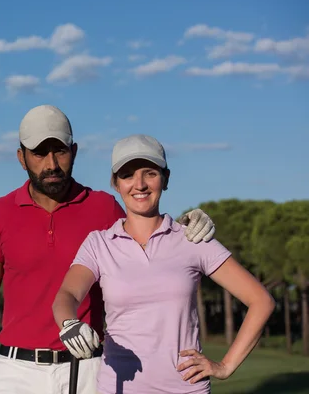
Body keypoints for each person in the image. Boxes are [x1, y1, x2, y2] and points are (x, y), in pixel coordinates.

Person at [0, 105, 217, 394]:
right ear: (22, 158)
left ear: (75, 152)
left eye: (61, 151)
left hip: (89, 369)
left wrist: (186, 227)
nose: (52, 164)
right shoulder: (0, 213)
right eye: (39, 153)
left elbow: (148, 241)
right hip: (18, 370)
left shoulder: (103, 207)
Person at [52, 134, 276, 394]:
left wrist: (225, 366)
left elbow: (261, 301)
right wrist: (69, 323)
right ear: (115, 183)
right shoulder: (99, 244)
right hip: (119, 388)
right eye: (127, 175)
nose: (140, 184)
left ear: (165, 179)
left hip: (185, 389)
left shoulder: (192, 238)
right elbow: (66, 295)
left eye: (150, 173)